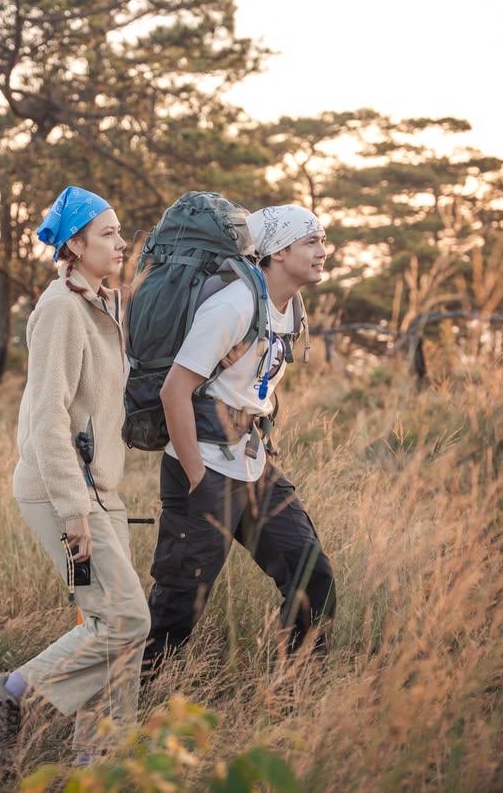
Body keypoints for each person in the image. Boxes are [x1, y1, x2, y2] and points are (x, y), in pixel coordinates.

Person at [0, 185, 150, 768]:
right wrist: (74, 512)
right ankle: (4, 692)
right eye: (107, 234)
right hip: (62, 491)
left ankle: (102, 760)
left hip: (101, 490)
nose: (121, 243)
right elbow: (46, 418)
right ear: (74, 244)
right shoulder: (60, 309)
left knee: (115, 628)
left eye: (121, 232)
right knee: (125, 618)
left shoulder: (101, 302)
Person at [142, 204, 337, 677]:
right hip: (203, 466)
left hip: (250, 466)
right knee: (176, 613)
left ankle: (294, 693)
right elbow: (175, 391)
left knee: (314, 577)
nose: (322, 252)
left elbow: (253, 387)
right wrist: (196, 478)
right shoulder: (235, 304)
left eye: (322, 241)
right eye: (310, 242)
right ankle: (124, 711)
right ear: (277, 250)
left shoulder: (289, 308)